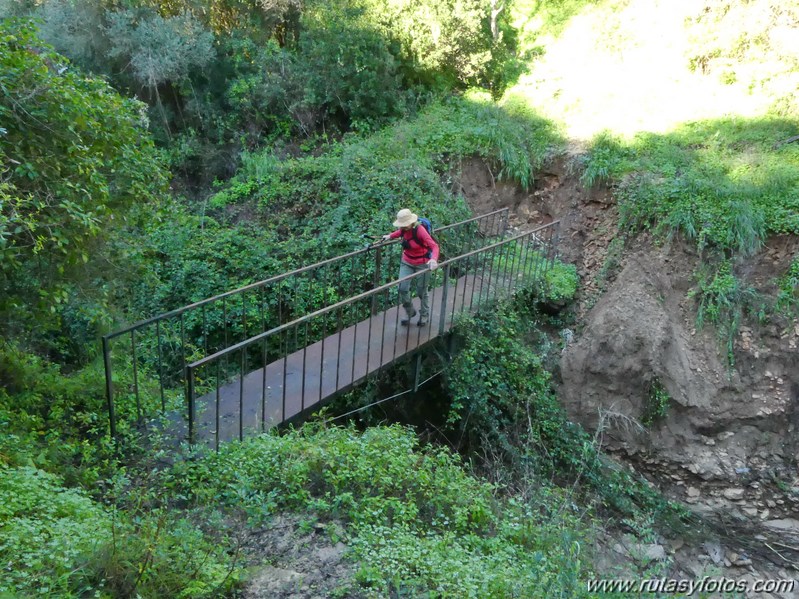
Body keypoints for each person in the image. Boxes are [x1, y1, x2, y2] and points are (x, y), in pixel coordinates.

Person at [382, 208, 439, 326]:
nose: (401, 227)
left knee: (421, 291)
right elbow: (400, 233)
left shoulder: (420, 230)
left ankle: (424, 315)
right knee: (402, 288)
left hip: (423, 263)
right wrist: (390, 236)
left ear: (410, 223)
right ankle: (410, 311)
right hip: (407, 261)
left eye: (404, 225)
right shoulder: (403, 229)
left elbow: (434, 246)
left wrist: (433, 260)